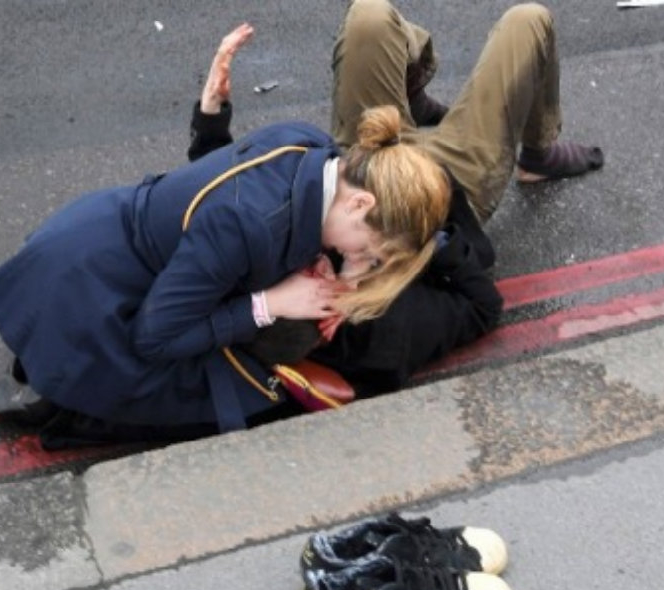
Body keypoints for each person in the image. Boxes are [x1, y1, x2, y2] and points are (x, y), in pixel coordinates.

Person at [0, 92, 451, 446]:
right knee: (234, 401)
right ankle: (60, 399)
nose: (362, 262)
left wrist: (210, 122)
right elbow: (154, 338)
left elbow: (218, 187)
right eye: (370, 250)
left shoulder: (311, 146)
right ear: (362, 202)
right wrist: (270, 304)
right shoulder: (246, 226)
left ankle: (49, 370)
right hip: (93, 296)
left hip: (100, 239)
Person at [190, 1, 603, 399]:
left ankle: (409, 99)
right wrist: (428, 239)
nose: (318, 265)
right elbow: (483, 307)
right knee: (528, 20)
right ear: (329, 324)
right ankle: (538, 151)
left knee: (369, 16)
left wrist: (211, 116)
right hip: (449, 180)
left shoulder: (272, 271)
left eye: (304, 275)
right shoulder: (386, 335)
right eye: (325, 278)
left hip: (369, 157)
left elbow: (225, 199)